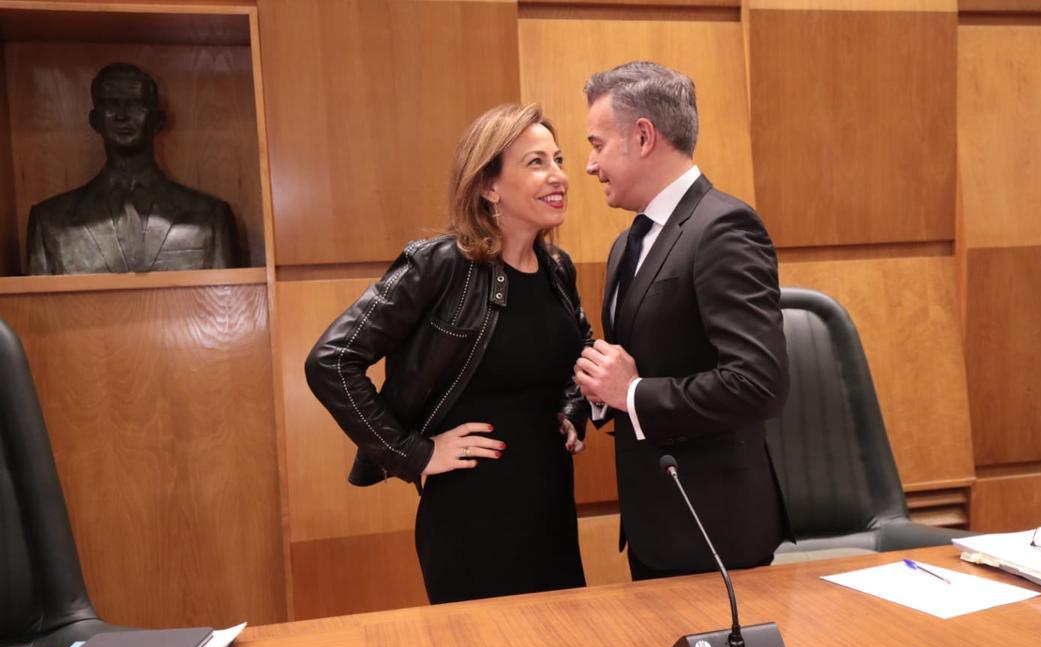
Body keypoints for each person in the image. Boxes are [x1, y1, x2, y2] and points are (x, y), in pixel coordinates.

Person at [305, 103, 590, 604]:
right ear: (489, 186)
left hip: (551, 508)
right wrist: (414, 453)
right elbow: (331, 360)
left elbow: (576, 349)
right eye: (536, 162)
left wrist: (572, 406)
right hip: (471, 518)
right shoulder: (440, 265)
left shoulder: (557, 268)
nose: (559, 176)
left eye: (559, 159)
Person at [573, 62, 790, 581]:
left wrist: (633, 393)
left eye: (597, 145)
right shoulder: (626, 242)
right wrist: (601, 391)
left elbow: (758, 384)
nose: (589, 165)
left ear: (643, 137)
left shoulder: (724, 227)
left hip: (716, 534)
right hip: (655, 528)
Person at [27, 62, 237, 274]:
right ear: (94, 120)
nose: (122, 116)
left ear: (158, 120)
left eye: (135, 104)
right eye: (110, 104)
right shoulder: (50, 222)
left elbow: (226, 294)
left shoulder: (209, 217)